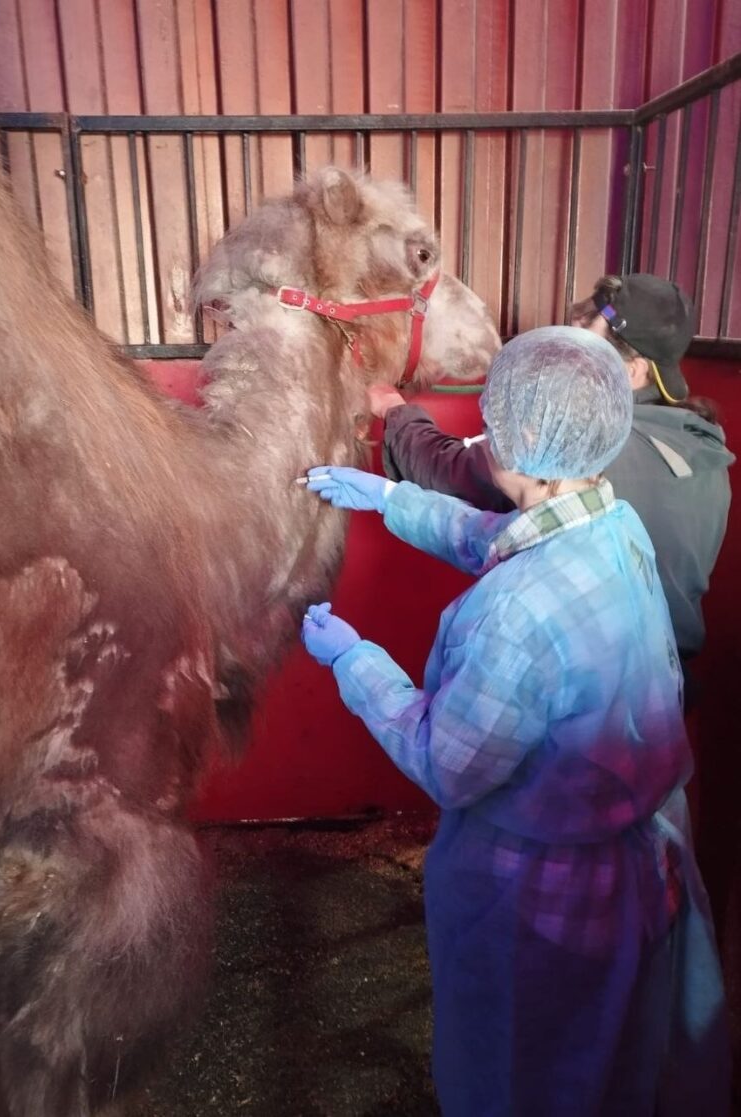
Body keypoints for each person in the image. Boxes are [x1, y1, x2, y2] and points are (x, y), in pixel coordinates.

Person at [300, 327, 729, 1117]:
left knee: (522, 1076)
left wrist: (353, 660)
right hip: (637, 870)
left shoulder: (518, 614)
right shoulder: (613, 523)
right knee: (613, 1068)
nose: (487, 437)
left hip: (542, 902)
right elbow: (494, 539)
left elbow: (445, 761)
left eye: (495, 428)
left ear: (526, 454)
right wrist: (391, 499)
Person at [370, 274, 734, 675]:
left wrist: (394, 411)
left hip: (575, 681)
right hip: (664, 681)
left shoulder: (580, 445)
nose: (573, 332)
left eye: (587, 331)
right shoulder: (705, 448)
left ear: (631, 372)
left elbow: (452, 471)